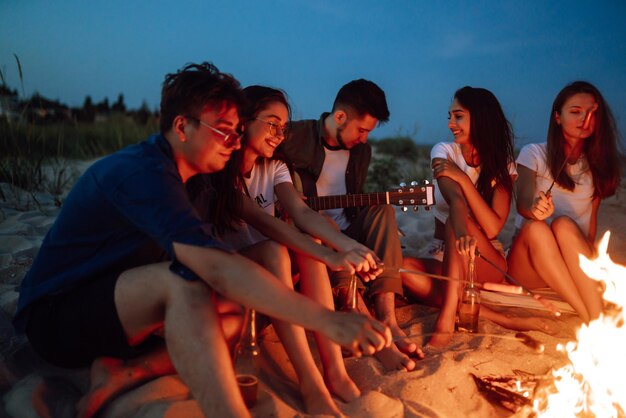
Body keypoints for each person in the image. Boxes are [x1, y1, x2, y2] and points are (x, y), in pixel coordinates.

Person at [13, 62, 391, 418]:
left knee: (229, 316)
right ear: (182, 127)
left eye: (237, 129)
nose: (234, 139)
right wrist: (327, 320)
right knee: (185, 285)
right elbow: (217, 267)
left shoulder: (202, 181)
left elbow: (264, 230)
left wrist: (335, 254)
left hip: (124, 312)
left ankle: (126, 372)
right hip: (59, 317)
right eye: (224, 129)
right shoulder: (143, 173)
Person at [190, 85, 380, 413]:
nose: (280, 134)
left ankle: (333, 370)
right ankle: (310, 382)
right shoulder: (221, 171)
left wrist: (348, 246)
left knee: (310, 244)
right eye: (272, 123)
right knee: (278, 248)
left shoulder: (274, 167)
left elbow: (302, 213)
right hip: (232, 277)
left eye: (284, 127)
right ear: (245, 120)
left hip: (270, 280)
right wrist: (333, 257)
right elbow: (265, 223)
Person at [277, 79, 423, 371]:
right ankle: (355, 308)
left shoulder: (361, 153)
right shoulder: (293, 137)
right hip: (310, 230)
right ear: (340, 117)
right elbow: (262, 168)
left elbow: (352, 198)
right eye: (362, 130)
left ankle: (387, 319)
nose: (365, 139)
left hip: (347, 229)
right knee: (326, 222)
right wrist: (282, 198)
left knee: (382, 210)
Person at [402, 86, 519, 347]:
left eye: (458, 116)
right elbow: (454, 200)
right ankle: (498, 316)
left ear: (479, 118)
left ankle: (445, 320)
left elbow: (492, 229)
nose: (450, 124)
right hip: (443, 252)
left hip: (483, 258)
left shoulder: (502, 163)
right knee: (403, 268)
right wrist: (461, 217)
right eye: (450, 116)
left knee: (461, 220)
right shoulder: (444, 151)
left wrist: (464, 179)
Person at [507, 81, 622, 323]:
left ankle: (593, 317)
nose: (584, 118)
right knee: (539, 227)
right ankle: (591, 318)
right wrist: (535, 209)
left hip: (572, 266)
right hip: (529, 265)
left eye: (591, 113)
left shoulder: (596, 166)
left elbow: (589, 234)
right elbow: (523, 201)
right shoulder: (534, 153)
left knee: (563, 225)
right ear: (557, 117)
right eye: (576, 111)